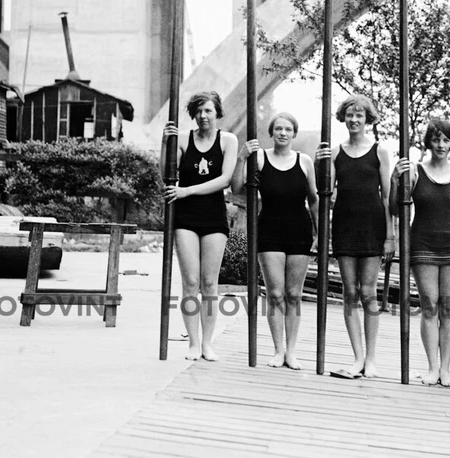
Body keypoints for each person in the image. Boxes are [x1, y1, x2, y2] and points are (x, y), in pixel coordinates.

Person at [392, 119, 450, 387]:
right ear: (429, 142)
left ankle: (446, 369)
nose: (441, 145)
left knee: (449, 309)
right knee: (429, 306)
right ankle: (431, 367)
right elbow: (396, 209)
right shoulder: (415, 172)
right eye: (436, 139)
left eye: (446, 140)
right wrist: (396, 180)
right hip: (424, 245)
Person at [315, 94, 394, 379]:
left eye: (359, 115)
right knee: (349, 292)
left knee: (369, 293)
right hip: (345, 226)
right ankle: (357, 357)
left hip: (373, 227)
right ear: (343, 118)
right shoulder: (336, 152)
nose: (354, 119)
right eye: (349, 114)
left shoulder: (379, 152)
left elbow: (387, 198)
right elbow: (324, 191)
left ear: (367, 119)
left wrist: (390, 235)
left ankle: (371, 358)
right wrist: (318, 164)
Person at [232, 111, 318, 369]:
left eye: (287, 129)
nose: (282, 133)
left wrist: (321, 232)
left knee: (294, 293)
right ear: (271, 133)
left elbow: (313, 199)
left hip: (299, 231)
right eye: (278, 129)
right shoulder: (259, 158)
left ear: (294, 134)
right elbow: (237, 188)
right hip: (269, 230)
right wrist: (241, 158)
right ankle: (278, 350)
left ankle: (291, 350)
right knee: (275, 293)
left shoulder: (304, 161)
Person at [162, 91, 238, 362]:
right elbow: (165, 175)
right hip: (185, 218)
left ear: (218, 112)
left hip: (213, 216)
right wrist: (165, 143)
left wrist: (187, 190)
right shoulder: (184, 139)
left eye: (208, 111)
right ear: (193, 114)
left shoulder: (228, 140)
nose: (204, 116)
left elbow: (226, 180)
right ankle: (193, 343)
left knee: (209, 282)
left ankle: (208, 343)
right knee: (190, 281)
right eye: (199, 111)